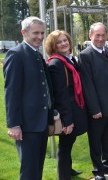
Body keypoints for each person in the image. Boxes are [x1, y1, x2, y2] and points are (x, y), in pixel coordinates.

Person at [4, 16, 51, 179]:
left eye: (42, 33)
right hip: (26, 125)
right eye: (36, 33)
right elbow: (11, 92)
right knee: (29, 171)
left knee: (37, 168)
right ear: (24, 33)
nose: (40, 36)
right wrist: (14, 124)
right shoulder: (16, 54)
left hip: (41, 123)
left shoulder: (37, 54)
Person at [78, 22, 108, 180]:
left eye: (103, 35)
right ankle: (98, 171)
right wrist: (94, 109)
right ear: (90, 36)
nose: (100, 38)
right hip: (97, 109)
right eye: (97, 35)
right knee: (96, 141)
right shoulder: (85, 55)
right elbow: (87, 84)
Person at [45, 30, 87, 180]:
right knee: (64, 146)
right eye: (59, 42)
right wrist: (67, 121)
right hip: (67, 113)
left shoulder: (69, 60)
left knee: (68, 144)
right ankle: (63, 176)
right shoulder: (56, 63)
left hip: (74, 108)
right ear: (53, 46)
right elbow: (61, 95)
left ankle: (68, 169)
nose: (63, 44)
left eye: (65, 40)